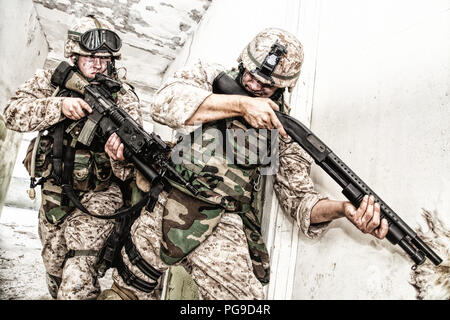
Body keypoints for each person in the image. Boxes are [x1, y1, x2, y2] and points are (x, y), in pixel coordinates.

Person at [100, 28, 389, 300]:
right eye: (251, 75)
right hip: (163, 201)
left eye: (266, 86)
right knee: (125, 291)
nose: (254, 85)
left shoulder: (283, 131)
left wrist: (342, 209)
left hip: (220, 223)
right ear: (242, 60)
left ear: (285, 87)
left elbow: (299, 201)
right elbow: (164, 103)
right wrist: (242, 105)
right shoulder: (209, 76)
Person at [2, 15, 142, 300]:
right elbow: (12, 114)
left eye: (105, 58)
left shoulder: (123, 96)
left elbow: (131, 159)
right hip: (55, 191)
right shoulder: (50, 82)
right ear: (73, 53)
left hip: (100, 195)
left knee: (77, 280)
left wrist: (121, 153)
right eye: (90, 56)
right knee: (54, 272)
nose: (98, 63)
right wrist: (58, 106)